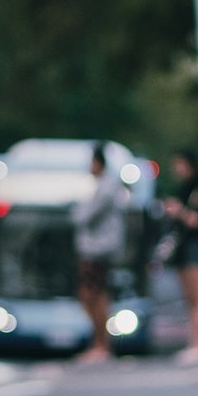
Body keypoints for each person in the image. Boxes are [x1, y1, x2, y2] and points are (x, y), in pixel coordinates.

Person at [72, 142, 125, 363]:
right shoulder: (105, 187)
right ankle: (100, 344)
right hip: (98, 249)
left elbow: (82, 217)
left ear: (97, 163)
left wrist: (77, 209)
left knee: (94, 294)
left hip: (98, 250)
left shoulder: (105, 188)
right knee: (91, 294)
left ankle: (101, 345)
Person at [163, 149, 198, 365]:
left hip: (194, 245)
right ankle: (196, 343)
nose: (176, 169)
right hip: (185, 247)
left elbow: (197, 220)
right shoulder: (187, 187)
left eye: (180, 164)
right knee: (191, 298)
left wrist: (178, 211)